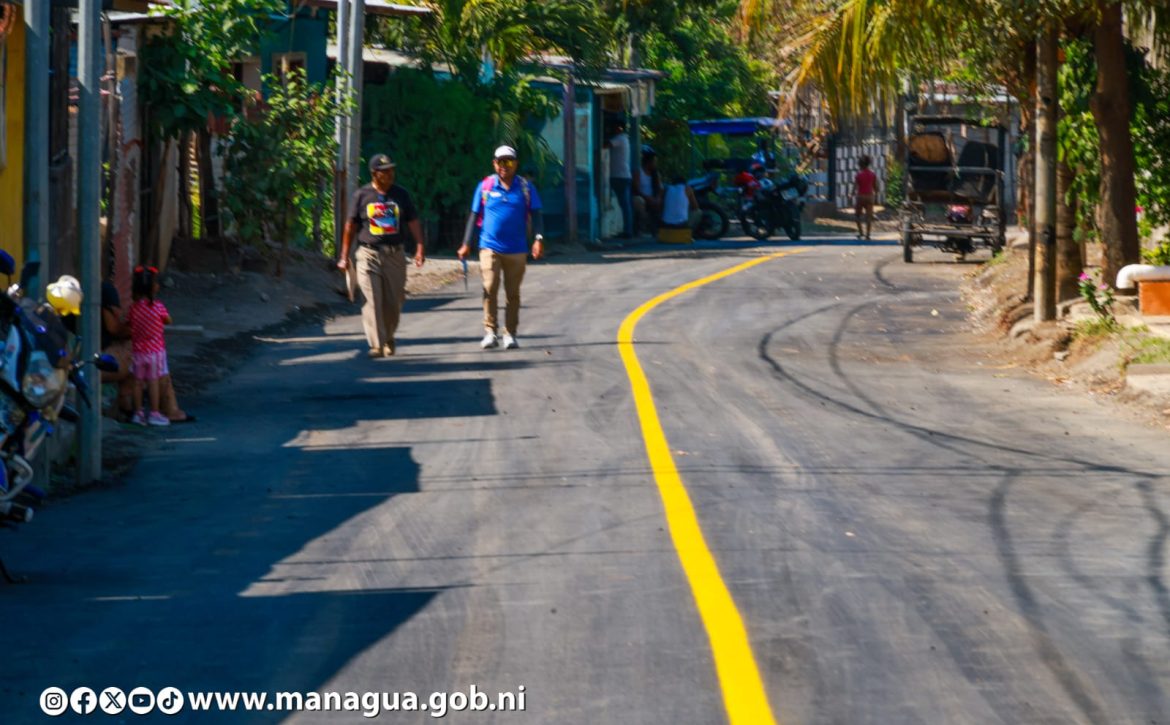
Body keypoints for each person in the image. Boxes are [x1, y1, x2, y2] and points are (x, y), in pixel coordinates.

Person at [337, 153, 426, 358]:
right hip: (368, 254)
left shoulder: (401, 194)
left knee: (394, 302)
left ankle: (388, 336)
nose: (390, 174)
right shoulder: (362, 195)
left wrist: (420, 247)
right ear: (374, 173)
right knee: (372, 300)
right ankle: (377, 343)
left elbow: (413, 221)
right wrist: (344, 256)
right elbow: (350, 226)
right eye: (385, 171)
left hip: (395, 255)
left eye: (391, 170)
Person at [457, 145, 544, 350]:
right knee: (489, 288)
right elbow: (473, 216)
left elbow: (537, 214)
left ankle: (510, 333)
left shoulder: (526, 188)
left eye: (509, 161)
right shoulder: (486, 186)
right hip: (489, 247)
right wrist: (466, 243)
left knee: (513, 293)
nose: (505, 166)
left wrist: (538, 239)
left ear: (516, 164)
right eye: (500, 161)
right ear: (494, 164)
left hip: (517, 249)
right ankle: (490, 331)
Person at [102, 279, 193, 423]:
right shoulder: (105, 291)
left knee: (138, 376)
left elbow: (124, 323)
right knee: (155, 373)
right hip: (105, 358)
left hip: (123, 353)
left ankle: (134, 409)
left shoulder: (134, 308)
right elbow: (114, 328)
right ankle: (165, 409)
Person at [126, 266, 173, 427]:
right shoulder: (158, 307)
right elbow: (168, 320)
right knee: (153, 382)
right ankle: (154, 413)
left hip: (138, 351)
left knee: (137, 382)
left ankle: (138, 413)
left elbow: (129, 323)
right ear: (153, 288)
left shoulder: (133, 308)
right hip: (155, 352)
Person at [606, 121, 633, 238]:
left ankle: (628, 230)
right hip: (622, 175)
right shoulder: (624, 139)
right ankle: (627, 229)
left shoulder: (620, 139)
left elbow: (606, 145)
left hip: (619, 175)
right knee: (624, 204)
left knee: (624, 204)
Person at [632, 145, 663, 234]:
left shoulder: (656, 175)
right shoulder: (638, 172)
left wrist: (658, 198)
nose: (655, 163)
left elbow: (661, 189)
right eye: (654, 161)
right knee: (638, 201)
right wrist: (648, 198)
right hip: (643, 199)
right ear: (647, 161)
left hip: (654, 200)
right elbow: (636, 190)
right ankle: (641, 229)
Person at [855, 155, 878, 240]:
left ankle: (861, 232)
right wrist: (876, 195)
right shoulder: (872, 174)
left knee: (857, 216)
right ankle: (868, 235)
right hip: (870, 196)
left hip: (860, 196)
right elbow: (875, 187)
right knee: (868, 217)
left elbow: (855, 186)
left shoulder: (858, 175)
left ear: (860, 164)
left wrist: (850, 194)